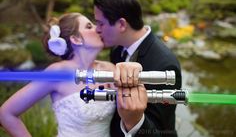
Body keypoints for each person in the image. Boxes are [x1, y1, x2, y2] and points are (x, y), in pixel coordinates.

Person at [0, 12, 143, 137]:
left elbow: (131, 109)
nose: (98, 29)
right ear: (76, 39)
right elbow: (6, 113)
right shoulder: (57, 72)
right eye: (89, 26)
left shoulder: (110, 69)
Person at [94, 0, 182, 137]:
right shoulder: (117, 49)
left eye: (101, 23)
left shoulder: (165, 65)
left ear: (121, 24)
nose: (97, 29)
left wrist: (134, 121)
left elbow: (160, 131)